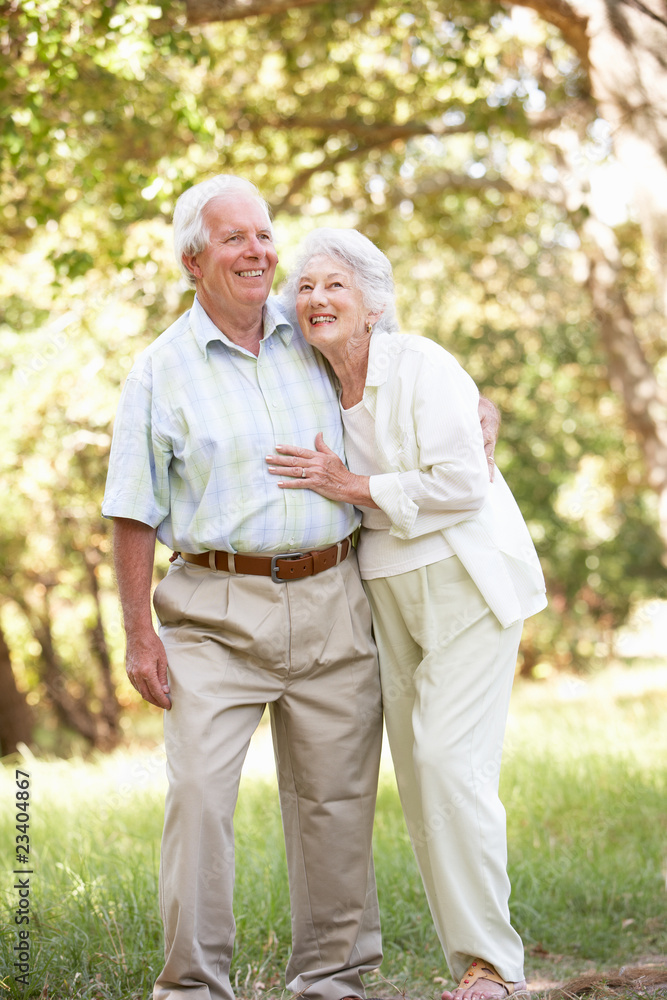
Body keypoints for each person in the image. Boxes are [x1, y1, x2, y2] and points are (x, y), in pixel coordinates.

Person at [102, 176, 385, 1000]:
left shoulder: (315, 330)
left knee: (335, 801)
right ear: (194, 262)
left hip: (333, 597)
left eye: (263, 234)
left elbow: (405, 373)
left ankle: (331, 979)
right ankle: (192, 986)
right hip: (214, 614)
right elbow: (130, 513)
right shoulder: (159, 372)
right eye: (234, 238)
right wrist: (138, 635)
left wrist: (479, 411)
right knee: (197, 794)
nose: (258, 251)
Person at [267, 228, 547, 1000]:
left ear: (373, 305)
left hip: (466, 580)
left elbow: (461, 482)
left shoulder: (420, 363)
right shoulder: (309, 376)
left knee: (449, 762)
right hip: (384, 591)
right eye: (306, 287)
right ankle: (474, 962)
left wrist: (351, 485)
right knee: (422, 780)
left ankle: (497, 967)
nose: (317, 298)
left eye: (335, 285)